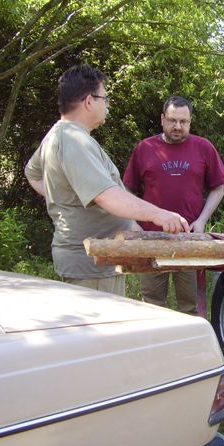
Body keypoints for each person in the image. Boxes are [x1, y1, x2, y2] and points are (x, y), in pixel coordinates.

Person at [25, 64, 189, 297]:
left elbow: (33, 174)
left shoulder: (59, 134)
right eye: (104, 98)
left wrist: (68, 198)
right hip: (92, 266)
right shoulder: (73, 140)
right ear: (89, 101)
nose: (107, 105)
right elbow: (107, 196)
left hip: (96, 261)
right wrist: (159, 214)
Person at [122, 96, 224, 313]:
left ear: (190, 121)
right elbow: (125, 190)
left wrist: (201, 221)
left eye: (183, 121)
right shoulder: (145, 148)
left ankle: (188, 346)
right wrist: (132, 223)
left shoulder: (204, 147)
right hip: (151, 239)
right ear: (162, 119)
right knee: (152, 305)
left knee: (190, 305)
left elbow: (219, 188)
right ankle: (154, 345)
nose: (178, 126)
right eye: (172, 120)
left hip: (190, 237)